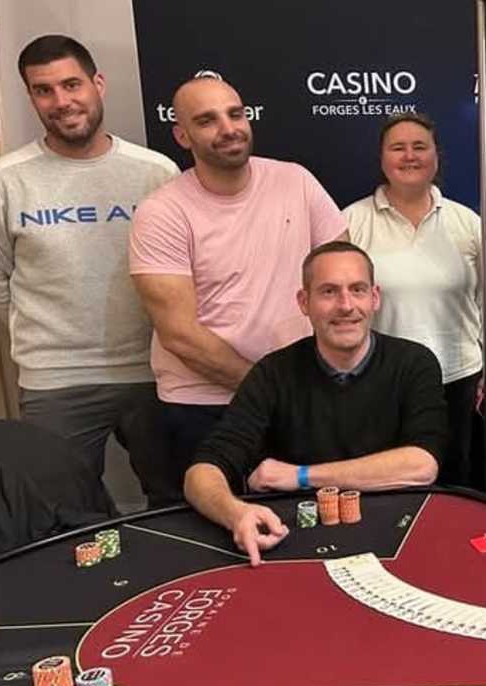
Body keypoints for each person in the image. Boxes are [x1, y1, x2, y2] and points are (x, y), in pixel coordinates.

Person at [0, 35, 178, 509]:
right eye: (43, 90)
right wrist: (45, 327)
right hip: (54, 379)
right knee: (60, 509)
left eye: (71, 84)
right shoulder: (1, 182)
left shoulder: (155, 172)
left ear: (97, 84)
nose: (61, 101)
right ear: (31, 97)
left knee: (175, 501)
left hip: (154, 369)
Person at [129, 75, 348, 499]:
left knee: (304, 521)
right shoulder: (162, 213)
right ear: (182, 136)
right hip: (202, 408)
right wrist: (271, 391)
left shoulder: (296, 181)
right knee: (209, 526)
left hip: (296, 399)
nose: (228, 128)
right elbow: (180, 335)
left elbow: (340, 276)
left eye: (235, 114)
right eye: (207, 120)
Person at [184, 242, 447, 564]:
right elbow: (201, 473)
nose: (346, 305)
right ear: (303, 302)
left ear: (375, 298)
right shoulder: (272, 373)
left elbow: (422, 465)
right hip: (294, 537)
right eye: (329, 292)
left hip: (398, 532)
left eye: (358, 290)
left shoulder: (414, 363)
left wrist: (300, 476)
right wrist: (235, 513)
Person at [344, 113, 483, 488]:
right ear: (382, 158)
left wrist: (485, 369)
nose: (409, 156)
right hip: (380, 381)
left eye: (419, 147)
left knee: (454, 485)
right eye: (398, 148)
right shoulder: (352, 222)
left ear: (436, 156)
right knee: (388, 486)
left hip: (456, 378)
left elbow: (484, 303)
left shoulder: (467, 222)